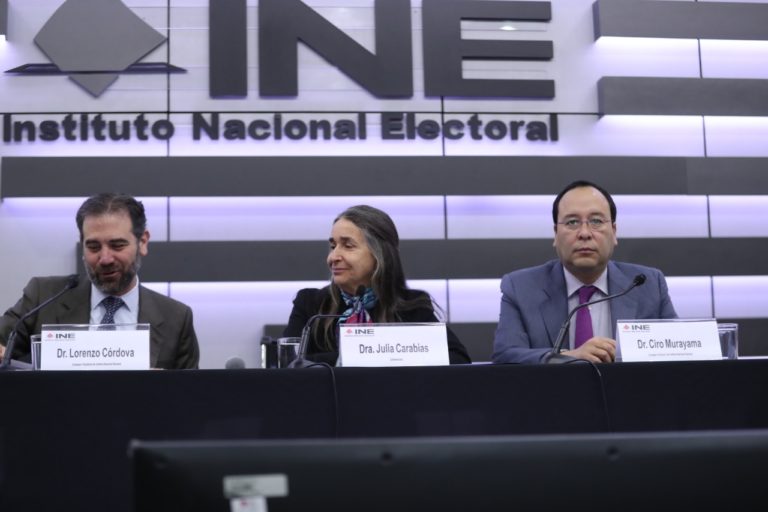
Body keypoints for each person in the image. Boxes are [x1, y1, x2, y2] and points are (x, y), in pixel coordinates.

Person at [0, 192, 200, 369]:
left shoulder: (176, 318)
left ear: (143, 242)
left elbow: (191, 399)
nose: (105, 259)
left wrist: (165, 388)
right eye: (94, 247)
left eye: (117, 245)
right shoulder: (42, 297)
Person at [493, 180, 677, 364]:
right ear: (556, 234)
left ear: (614, 232)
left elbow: (680, 352)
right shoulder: (521, 288)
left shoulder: (648, 285)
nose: (584, 233)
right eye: (572, 222)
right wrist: (568, 357)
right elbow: (506, 356)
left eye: (596, 221)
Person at [284, 204, 471, 365]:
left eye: (348, 246)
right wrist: (378, 357)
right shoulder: (310, 304)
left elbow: (458, 359)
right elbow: (289, 363)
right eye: (333, 246)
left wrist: (349, 358)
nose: (333, 257)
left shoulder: (411, 306)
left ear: (379, 254)